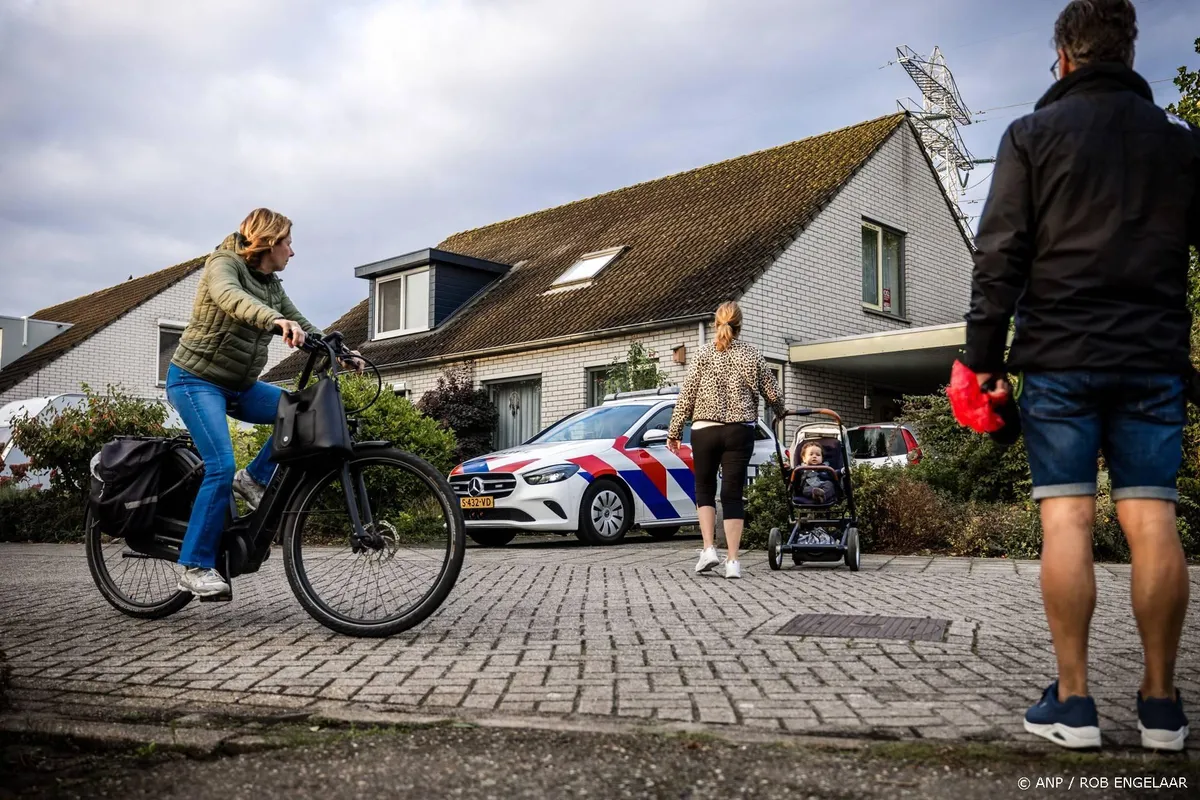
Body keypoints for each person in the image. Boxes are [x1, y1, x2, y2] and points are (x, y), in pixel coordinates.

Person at [964, 0, 1199, 751]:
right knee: (1153, 519)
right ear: (1129, 56)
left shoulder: (1031, 136)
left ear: (1063, 57)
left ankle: (1074, 705)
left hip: (1060, 357)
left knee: (1066, 519)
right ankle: (1161, 708)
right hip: (1152, 359)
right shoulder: (1180, 145)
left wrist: (981, 360)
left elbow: (999, 257)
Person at [166, 208, 360, 597]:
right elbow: (230, 297)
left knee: (302, 412)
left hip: (239, 384)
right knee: (220, 463)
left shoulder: (272, 284)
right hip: (195, 380)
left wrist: (337, 350)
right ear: (269, 242)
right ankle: (193, 565)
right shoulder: (223, 264)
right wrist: (273, 320)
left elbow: (299, 320)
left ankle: (253, 479)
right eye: (287, 242)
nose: (292, 251)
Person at [667, 300, 786, 579]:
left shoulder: (702, 354)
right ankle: (733, 561)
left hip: (704, 430)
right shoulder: (752, 355)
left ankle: (709, 549)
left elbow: (687, 396)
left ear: (715, 323)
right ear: (739, 326)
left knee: (704, 488)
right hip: (738, 430)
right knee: (732, 494)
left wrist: (674, 432)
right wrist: (782, 412)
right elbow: (773, 394)